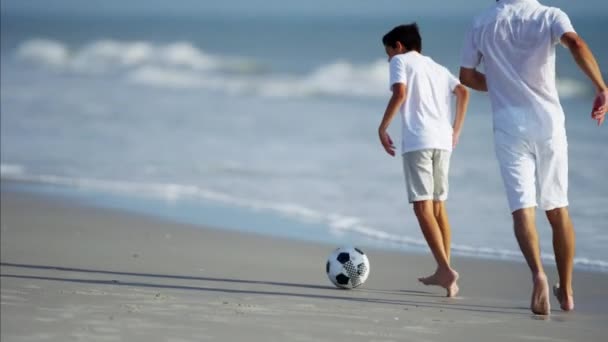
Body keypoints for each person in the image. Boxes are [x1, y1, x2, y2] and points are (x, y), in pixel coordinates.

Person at [459, 0, 608, 315]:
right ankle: (566, 290)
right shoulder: (549, 15)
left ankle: (538, 274)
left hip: (509, 125)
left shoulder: (482, 22)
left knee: (522, 210)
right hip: (549, 124)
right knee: (557, 208)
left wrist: (500, 84)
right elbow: (576, 43)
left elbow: (467, 76)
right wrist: (601, 86)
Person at [378, 23, 470, 297]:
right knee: (438, 207)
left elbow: (400, 94)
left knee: (422, 207)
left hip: (419, 140)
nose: (388, 58)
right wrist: (456, 130)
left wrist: (382, 128)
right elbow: (463, 92)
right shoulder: (436, 67)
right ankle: (448, 273)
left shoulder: (401, 61)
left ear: (399, 46)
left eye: (388, 52)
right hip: (443, 141)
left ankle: (444, 269)